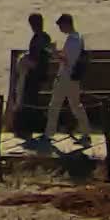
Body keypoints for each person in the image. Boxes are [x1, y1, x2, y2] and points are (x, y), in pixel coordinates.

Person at [44, 13, 93, 144]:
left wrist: (53, 52)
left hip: (66, 77)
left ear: (66, 24)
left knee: (55, 105)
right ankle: (86, 133)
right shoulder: (77, 38)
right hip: (72, 77)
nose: (60, 28)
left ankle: (49, 134)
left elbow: (67, 60)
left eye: (61, 25)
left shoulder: (73, 40)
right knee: (76, 106)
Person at [11, 13, 55, 139]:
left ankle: (28, 127)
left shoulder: (38, 38)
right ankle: (34, 125)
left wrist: (25, 61)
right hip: (42, 73)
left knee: (28, 99)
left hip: (35, 74)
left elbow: (36, 59)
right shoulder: (45, 36)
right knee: (30, 98)